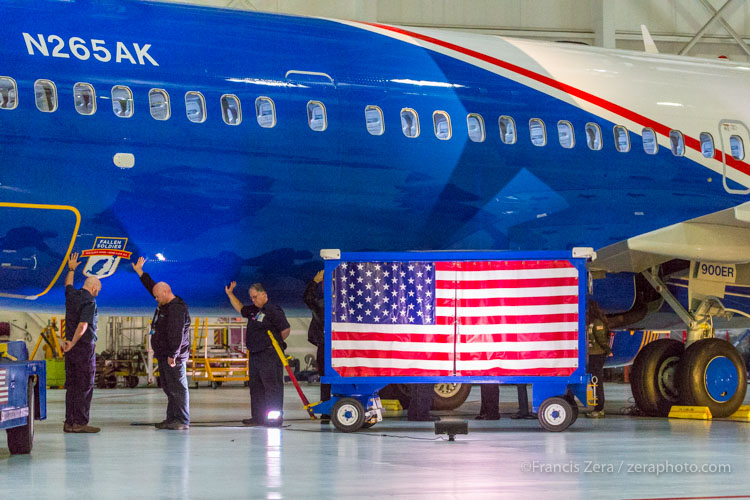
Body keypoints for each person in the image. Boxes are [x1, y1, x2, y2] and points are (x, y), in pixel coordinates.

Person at [132, 257, 191, 430]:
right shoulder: (165, 302)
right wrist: (141, 273)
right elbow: (154, 288)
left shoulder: (176, 309)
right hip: (165, 355)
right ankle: (172, 418)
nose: (155, 299)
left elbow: (176, 333)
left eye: (157, 297)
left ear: (166, 293)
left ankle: (181, 420)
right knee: (169, 388)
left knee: (177, 388)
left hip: (174, 357)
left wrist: (173, 354)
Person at [225, 281, 290, 427]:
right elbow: (241, 309)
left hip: (269, 355)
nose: (253, 300)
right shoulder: (254, 311)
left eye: (255, 297)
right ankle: (258, 417)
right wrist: (230, 294)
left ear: (263, 294)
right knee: (256, 387)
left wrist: (272, 343)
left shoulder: (273, 310)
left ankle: (274, 418)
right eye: (251, 298)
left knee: (272, 387)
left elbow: (285, 329)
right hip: (255, 355)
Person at [63, 252, 102, 433]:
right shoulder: (90, 302)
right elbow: (83, 325)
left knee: (71, 386)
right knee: (84, 385)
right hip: (83, 348)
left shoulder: (72, 296)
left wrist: (71, 268)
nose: (97, 293)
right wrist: (74, 342)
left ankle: (69, 422)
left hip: (69, 350)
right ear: (94, 289)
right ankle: (80, 422)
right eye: (98, 290)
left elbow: (68, 285)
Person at [303, 270, 330, 415]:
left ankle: (326, 409)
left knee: (325, 379)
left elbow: (308, 298)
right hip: (342, 346)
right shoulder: (344, 304)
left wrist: (315, 281)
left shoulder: (323, 305)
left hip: (325, 346)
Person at [586, 299, 611, 418]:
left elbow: (602, 339)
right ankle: (598, 407)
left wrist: (607, 351)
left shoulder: (597, 323)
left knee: (596, 381)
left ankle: (599, 408)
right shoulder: (590, 322)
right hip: (591, 355)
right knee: (594, 381)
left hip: (596, 355)